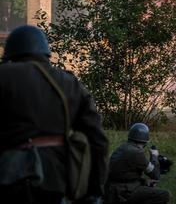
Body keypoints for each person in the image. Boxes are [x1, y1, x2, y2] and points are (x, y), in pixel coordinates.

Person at [0, 25, 108, 204]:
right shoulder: (70, 83)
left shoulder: (4, 76)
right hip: (56, 177)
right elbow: (97, 140)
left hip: (7, 176)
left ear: (11, 52)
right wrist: (94, 189)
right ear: (46, 52)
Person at [105, 123, 171, 204]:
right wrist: (154, 156)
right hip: (122, 193)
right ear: (145, 141)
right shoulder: (136, 153)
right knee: (164, 194)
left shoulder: (122, 147)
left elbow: (124, 174)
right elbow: (155, 174)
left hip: (113, 190)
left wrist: (143, 181)